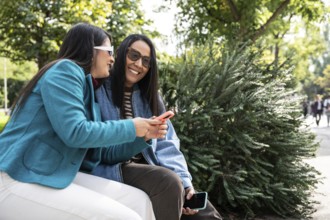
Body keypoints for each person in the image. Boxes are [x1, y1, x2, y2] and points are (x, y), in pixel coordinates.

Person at [0, 23, 168, 220]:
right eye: (109, 51)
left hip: (48, 174)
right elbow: (76, 133)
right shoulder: (64, 70)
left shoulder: (86, 88)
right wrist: (132, 126)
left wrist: (142, 136)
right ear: (90, 50)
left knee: (140, 201)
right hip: (16, 177)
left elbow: (103, 152)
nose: (113, 59)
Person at [94, 34, 222, 220]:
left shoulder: (150, 97)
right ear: (122, 54)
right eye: (134, 56)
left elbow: (167, 144)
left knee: (206, 213)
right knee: (167, 182)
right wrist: (142, 136)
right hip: (116, 167)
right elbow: (101, 145)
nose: (139, 64)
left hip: (150, 166)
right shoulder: (99, 90)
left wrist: (186, 184)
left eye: (146, 61)